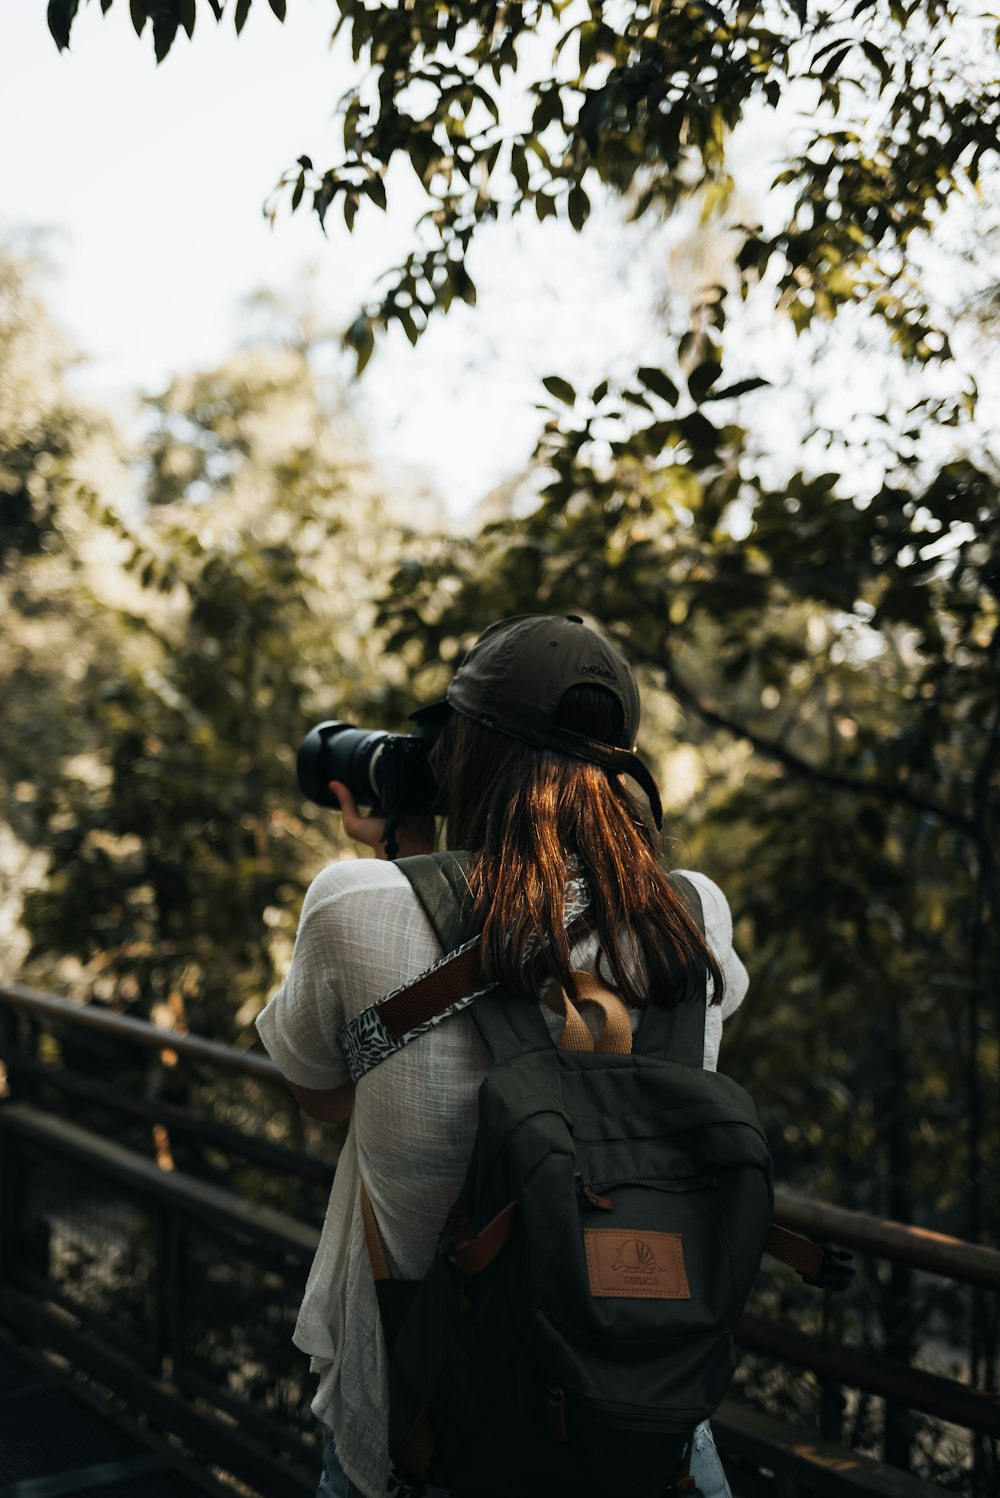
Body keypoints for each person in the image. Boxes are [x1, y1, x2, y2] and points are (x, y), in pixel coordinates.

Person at [256, 614, 749, 1498]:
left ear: (463, 754)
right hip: (643, 1439)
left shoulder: (353, 905)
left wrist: (403, 862)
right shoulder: (693, 915)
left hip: (425, 1438)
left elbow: (319, 1092)